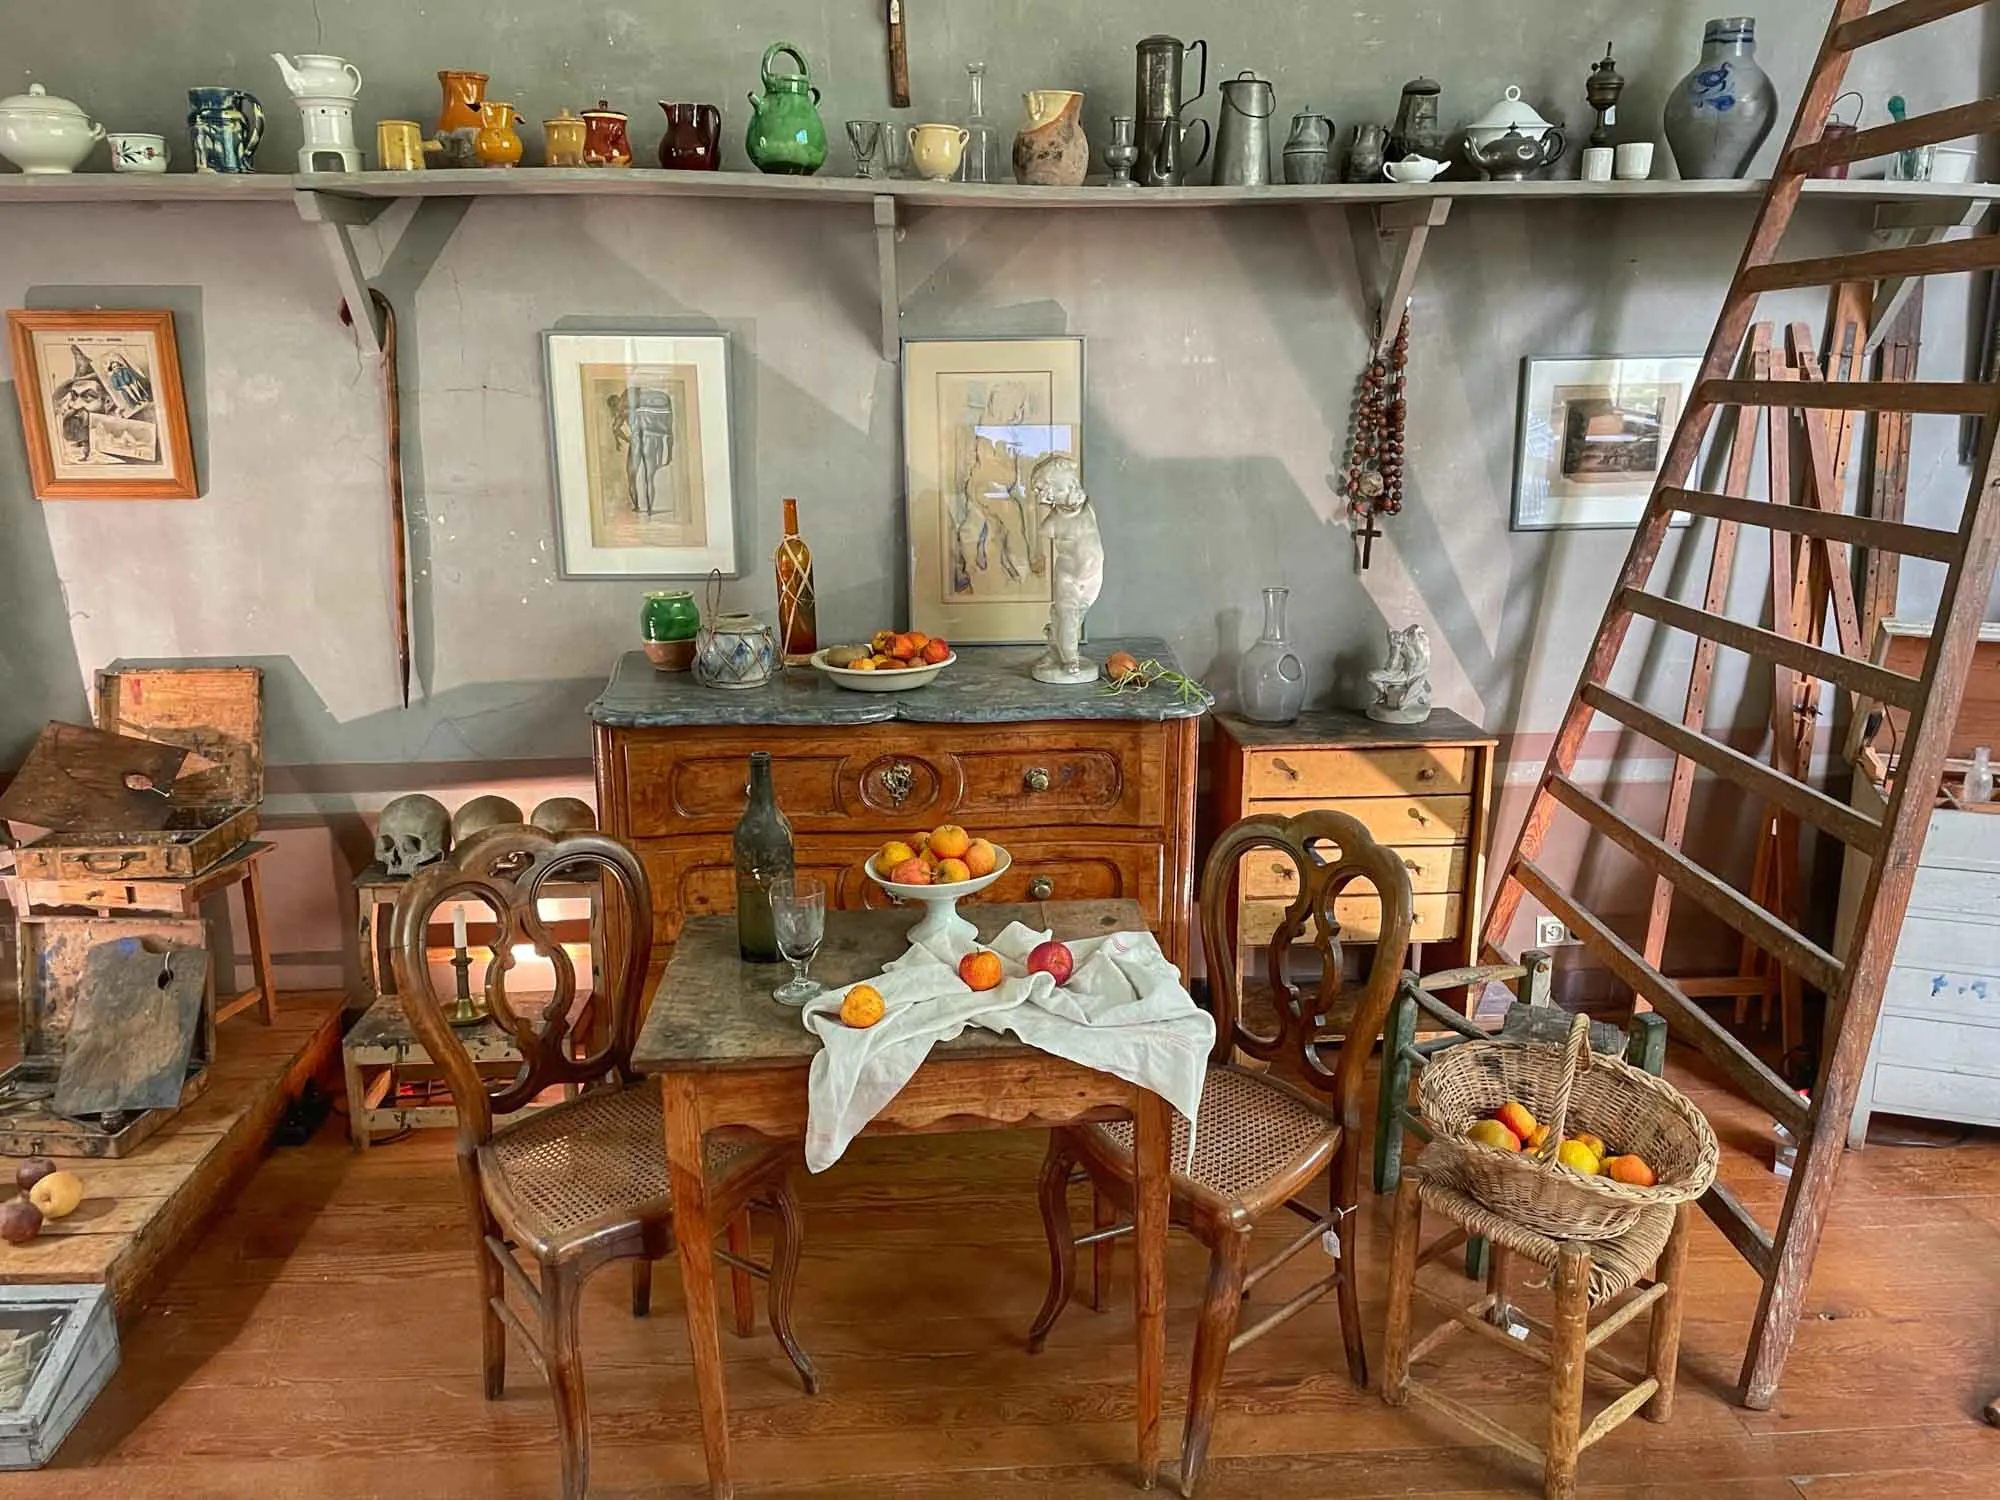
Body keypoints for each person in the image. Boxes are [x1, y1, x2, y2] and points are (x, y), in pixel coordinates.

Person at [1028, 455, 1103, 685]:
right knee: (1068, 617)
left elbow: (1073, 498)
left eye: (1046, 489)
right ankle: (1070, 659)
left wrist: (1068, 488)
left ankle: (1054, 651)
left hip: (1091, 580)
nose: (1042, 496)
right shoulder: (1052, 522)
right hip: (1068, 579)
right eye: (1041, 492)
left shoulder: (1085, 508)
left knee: (1066, 618)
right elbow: (1038, 538)